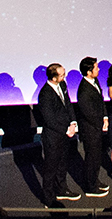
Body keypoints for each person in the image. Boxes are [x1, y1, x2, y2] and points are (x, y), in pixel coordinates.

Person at [35, 63, 81, 205]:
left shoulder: (62, 85)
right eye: (62, 75)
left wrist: (73, 122)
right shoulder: (45, 94)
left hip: (65, 133)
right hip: (53, 137)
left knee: (62, 164)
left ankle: (62, 190)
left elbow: (68, 104)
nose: (64, 76)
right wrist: (66, 130)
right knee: (50, 168)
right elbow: (49, 120)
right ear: (54, 78)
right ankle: (48, 198)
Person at [77, 56, 110, 197]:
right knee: (91, 158)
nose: (98, 69)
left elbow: (101, 100)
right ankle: (90, 187)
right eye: (96, 67)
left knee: (97, 157)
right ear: (89, 72)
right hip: (90, 129)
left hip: (97, 126)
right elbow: (88, 113)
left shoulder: (95, 81)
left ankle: (95, 181)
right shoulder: (84, 90)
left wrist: (105, 117)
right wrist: (100, 123)